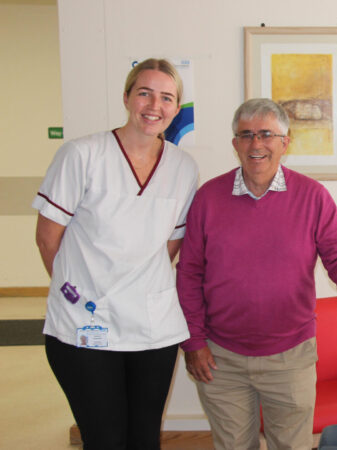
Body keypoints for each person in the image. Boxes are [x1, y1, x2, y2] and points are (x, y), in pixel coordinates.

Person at [176, 98, 337, 450]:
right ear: (235, 144)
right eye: (247, 135)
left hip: (291, 356)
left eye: (267, 134)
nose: (257, 144)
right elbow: (188, 274)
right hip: (221, 357)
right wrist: (193, 343)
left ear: (285, 143)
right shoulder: (208, 198)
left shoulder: (313, 197)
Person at [33, 58, 198, 449]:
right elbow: (47, 238)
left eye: (166, 97)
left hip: (153, 327)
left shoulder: (183, 167)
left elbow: (170, 244)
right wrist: (78, 291)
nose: (154, 105)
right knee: (104, 438)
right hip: (84, 324)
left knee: (144, 437)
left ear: (176, 108)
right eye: (144, 93)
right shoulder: (82, 154)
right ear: (126, 97)